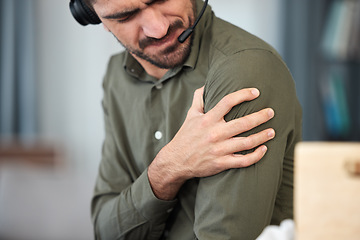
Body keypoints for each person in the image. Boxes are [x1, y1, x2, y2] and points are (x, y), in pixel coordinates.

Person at [69, 0, 302, 239]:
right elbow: (106, 230)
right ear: (96, 18)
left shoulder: (243, 70)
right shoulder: (117, 75)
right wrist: (166, 170)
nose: (158, 28)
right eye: (126, 16)